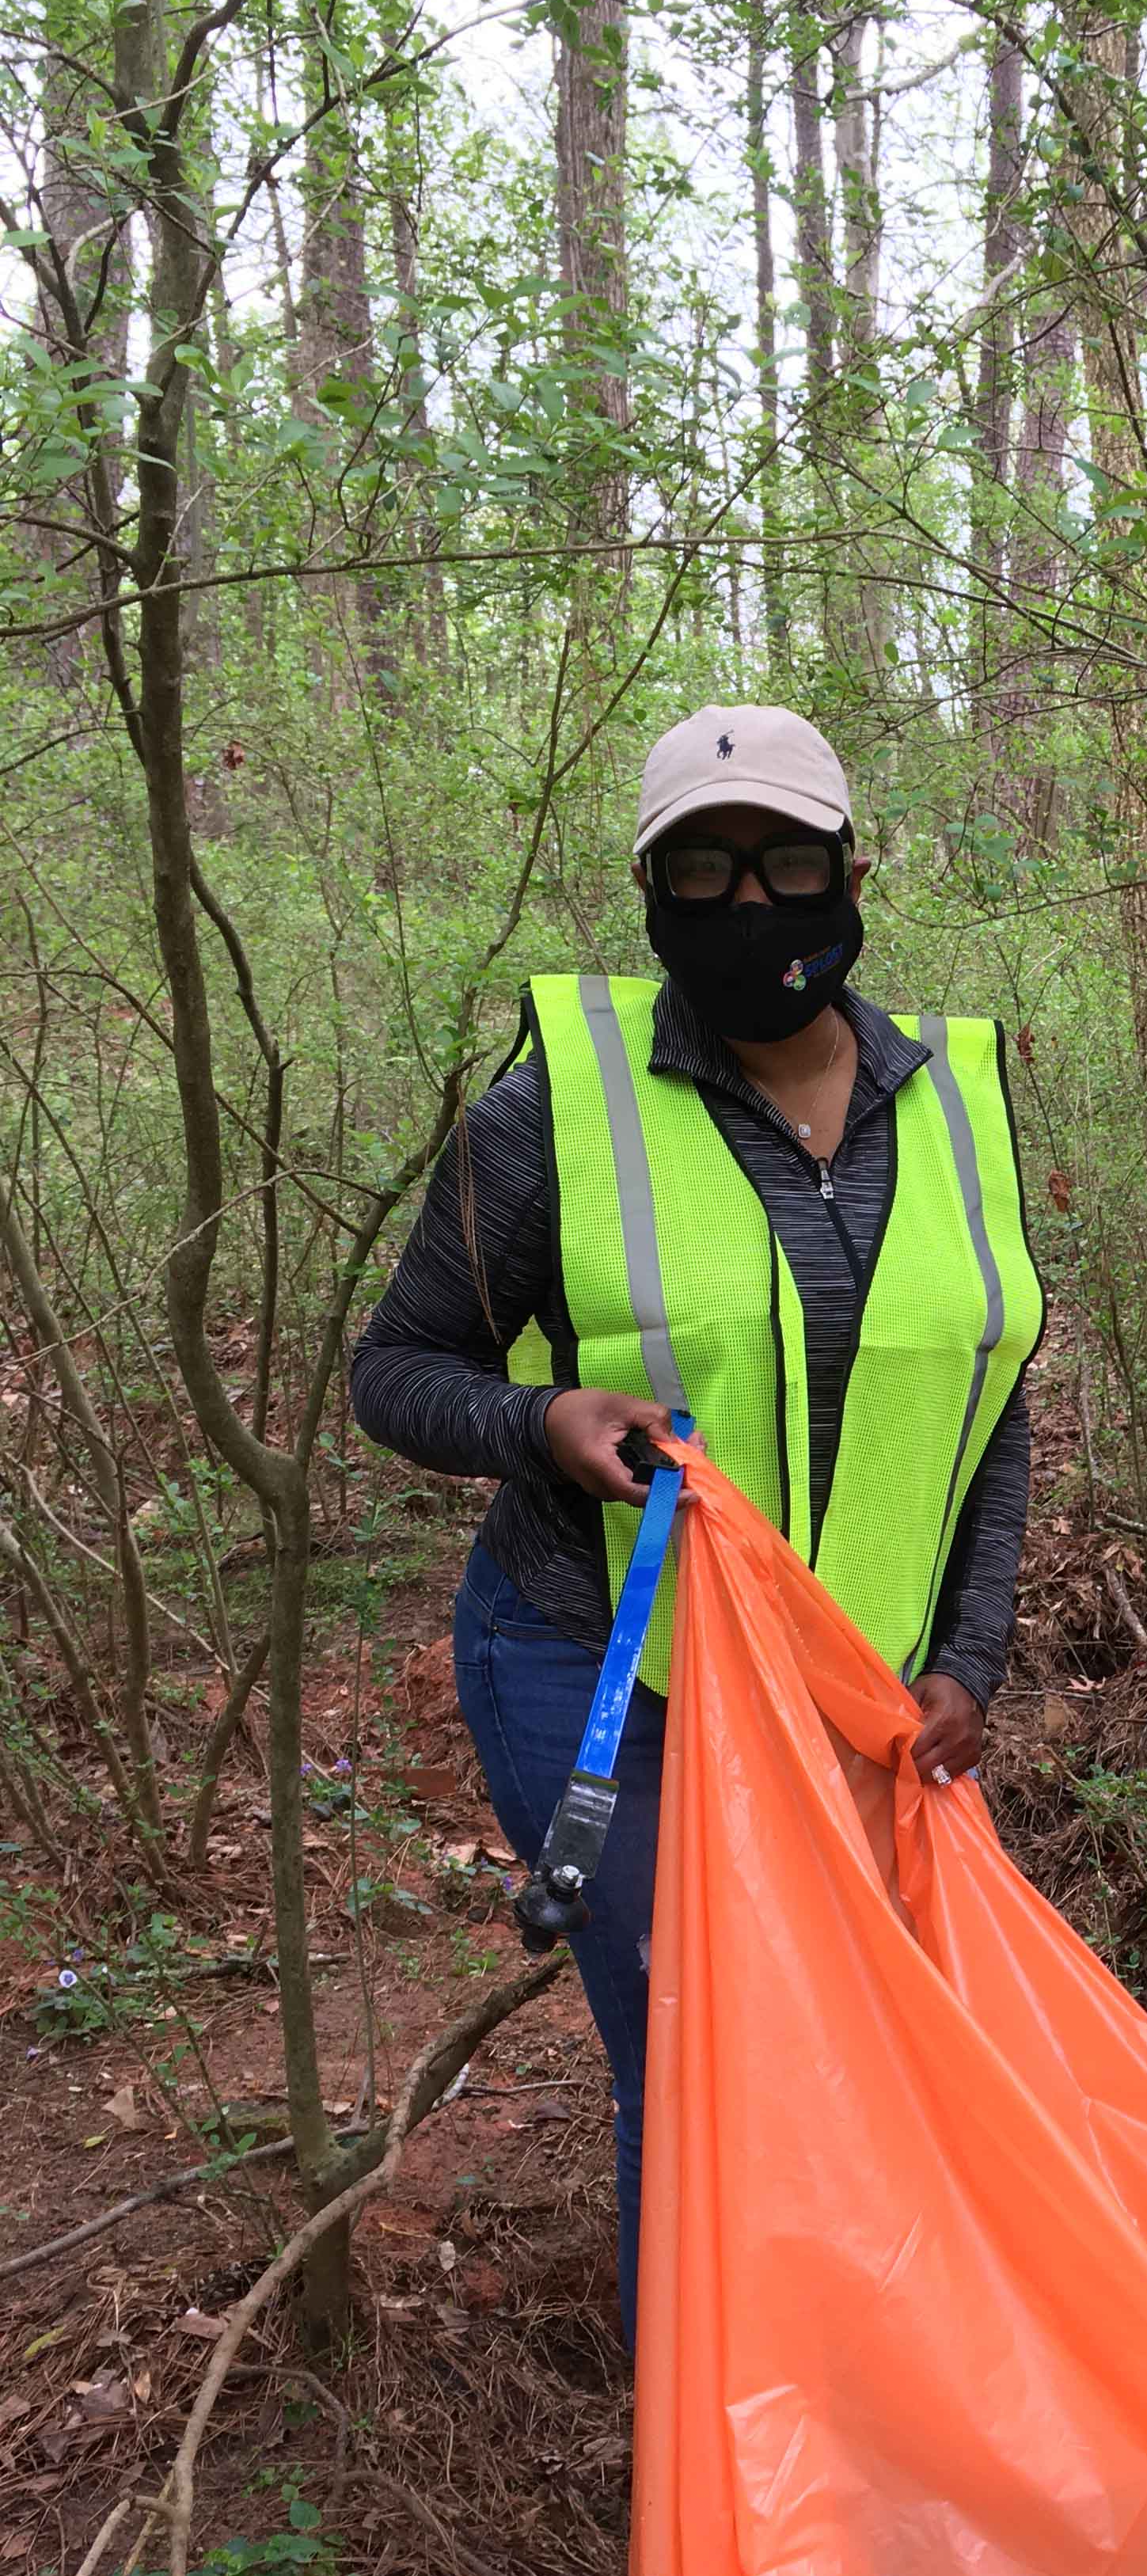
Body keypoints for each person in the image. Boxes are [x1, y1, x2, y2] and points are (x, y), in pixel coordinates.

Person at [353, 706, 1043, 2344]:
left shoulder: (956, 1103)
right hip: (608, 1672)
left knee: (858, 2054)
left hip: (853, 1688)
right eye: (704, 870)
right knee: (699, 2063)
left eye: (786, 862)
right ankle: (712, 2458)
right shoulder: (554, 1113)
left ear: (853, 872)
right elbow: (397, 1371)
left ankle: (858, 2406)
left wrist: (972, 1652)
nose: (750, 904)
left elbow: (991, 1394)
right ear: (651, 891)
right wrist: (539, 1421)